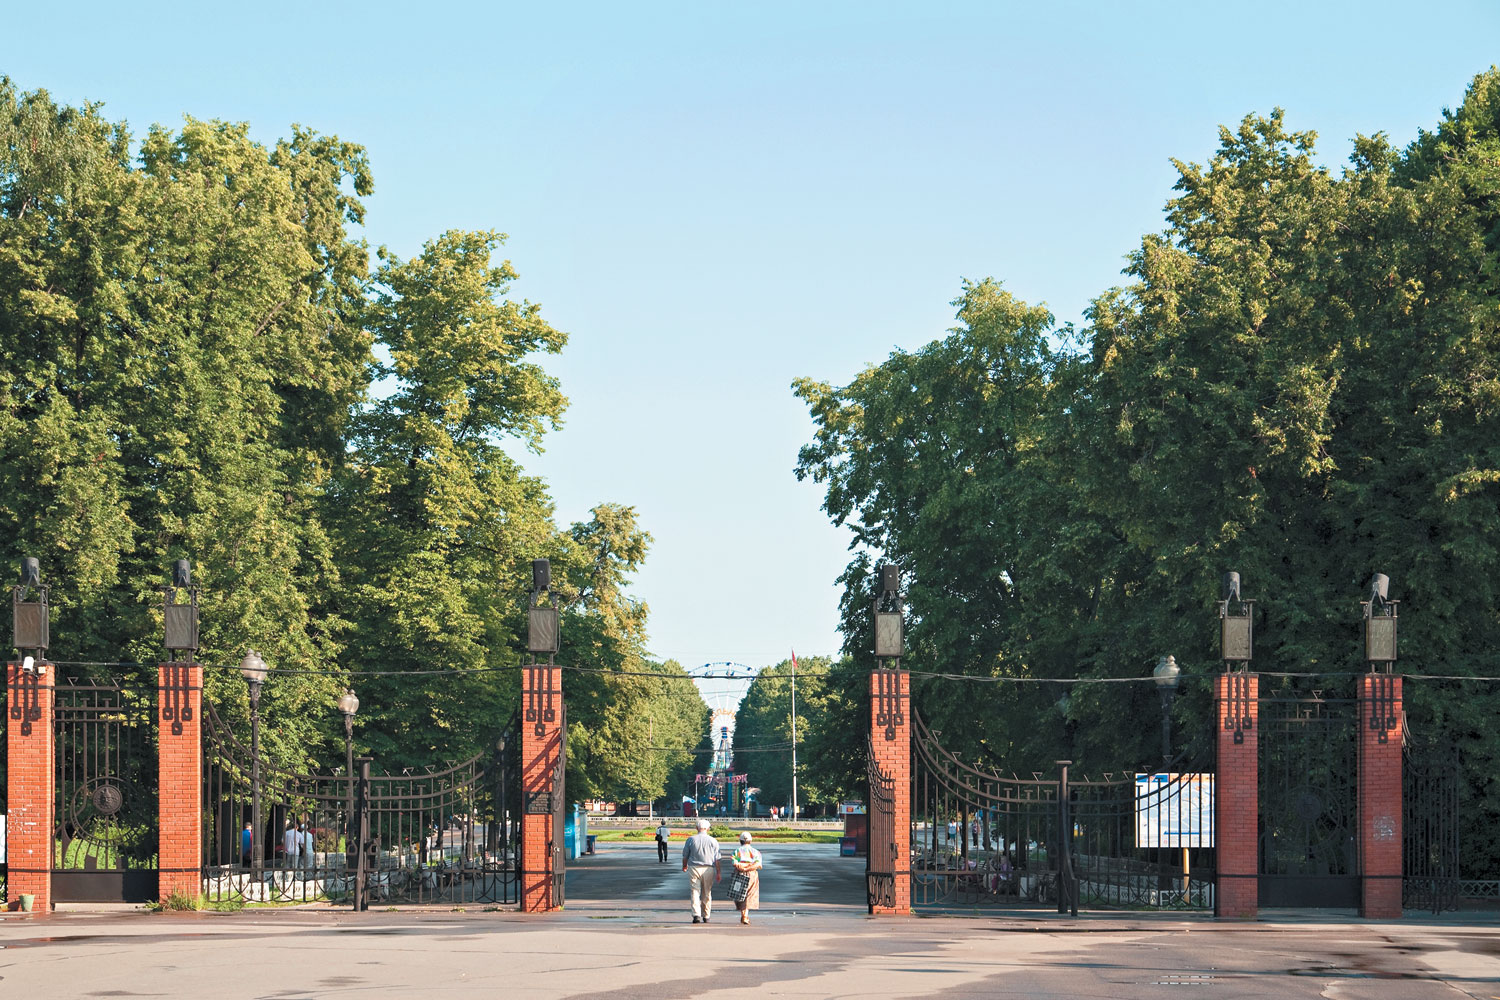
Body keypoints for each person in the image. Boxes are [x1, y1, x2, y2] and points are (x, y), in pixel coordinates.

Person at [680, 817, 721, 924]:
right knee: (707, 893)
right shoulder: (713, 841)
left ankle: (696, 915)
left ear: (696, 828)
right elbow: (717, 859)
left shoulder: (691, 839)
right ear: (708, 828)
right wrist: (718, 872)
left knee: (695, 891)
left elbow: (685, 856)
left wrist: (684, 866)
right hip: (709, 868)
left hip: (694, 868)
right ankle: (706, 916)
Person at [731, 832, 762, 925]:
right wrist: (748, 867)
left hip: (739, 874)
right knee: (749, 894)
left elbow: (734, 862)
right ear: (750, 841)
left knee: (740, 894)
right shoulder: (756, 852)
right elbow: (758, 864)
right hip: (752, 874)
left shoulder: (737, 851)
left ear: (740, 841)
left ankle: (744, 914)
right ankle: (745, 915)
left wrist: (742, 867)